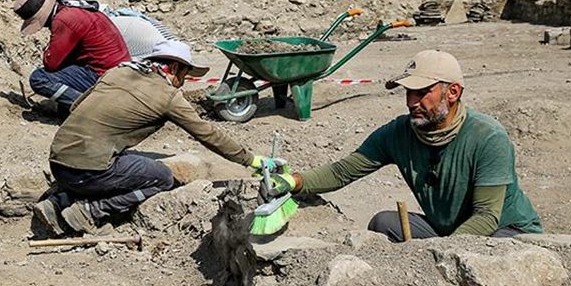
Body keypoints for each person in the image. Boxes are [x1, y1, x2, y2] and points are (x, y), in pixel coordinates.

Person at [264, 50, 542, 241]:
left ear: (453, 92)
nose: (411, 102)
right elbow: (341, 172)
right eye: (409, 92)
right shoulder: (400, 132)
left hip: (505, 232)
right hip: (449, 231)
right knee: (385, 224)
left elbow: (486, 217)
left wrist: (438, 255)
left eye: (422, 93)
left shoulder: (487, 137)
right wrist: (292, 181)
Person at [33, 40, 271, 235]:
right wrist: (250, 160)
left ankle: (58, 201)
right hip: (87, 171)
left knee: (116, 159)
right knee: (162, 178)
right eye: (185, 76)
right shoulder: (167, 95)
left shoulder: (118, 72)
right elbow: (207, 133)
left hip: (57, 162)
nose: (183, 82)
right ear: (176, 68)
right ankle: (90, 211)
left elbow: (76, 105)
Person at [12, 0, 130, 111]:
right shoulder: (74, 7)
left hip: (104, 75)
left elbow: (51, 63)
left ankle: (89, 110)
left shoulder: (64, 19)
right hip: (117, 71)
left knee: (39, 78)